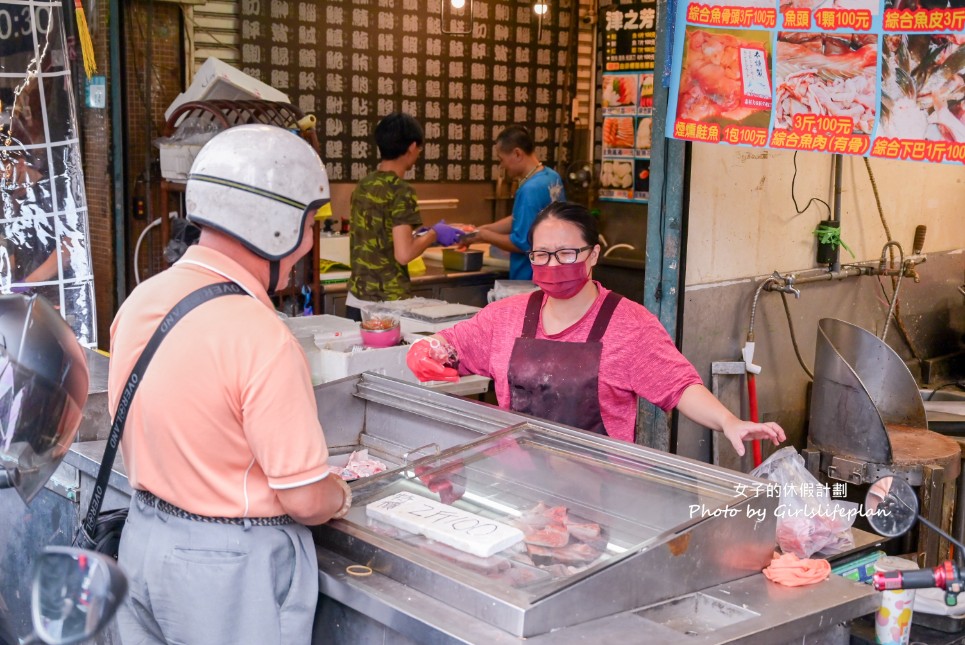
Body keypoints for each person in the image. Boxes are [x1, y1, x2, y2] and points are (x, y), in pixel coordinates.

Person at [108, 125, 351, 645]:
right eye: (310, 222)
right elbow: (305, 498)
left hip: (143, 540)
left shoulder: (142, 301)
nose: (310, 240)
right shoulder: (260, 334)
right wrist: (341, 492)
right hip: (226, 573)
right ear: (277, 225)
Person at [407, 201, 785, 456]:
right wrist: (424, 349)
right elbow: (451, 344)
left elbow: (678, 385)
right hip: (521, 483)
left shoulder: (629, 324)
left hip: (603, 487)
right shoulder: (505, 317)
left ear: (593, 255)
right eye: (542, 255)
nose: (553, 264)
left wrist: (729, 421)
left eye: (567, 253)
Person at [347, 112, 463, 320]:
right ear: (411, 147)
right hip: (387, 306)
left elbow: (382, 234)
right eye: (419, 149)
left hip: (356, 300)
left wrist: (420, 234)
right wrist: (434, 234)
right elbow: (404, 254)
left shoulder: (362, 186)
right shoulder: (401, 190)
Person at [466, 125, 566, 280]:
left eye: (501, 160)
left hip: (531, 279)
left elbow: (522, 244)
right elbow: (521, 219)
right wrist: (484, 229)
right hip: (553, 273)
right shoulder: (551, 176)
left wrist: (485, 236)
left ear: (517, 154)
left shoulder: (530, 189)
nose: (502, 166)